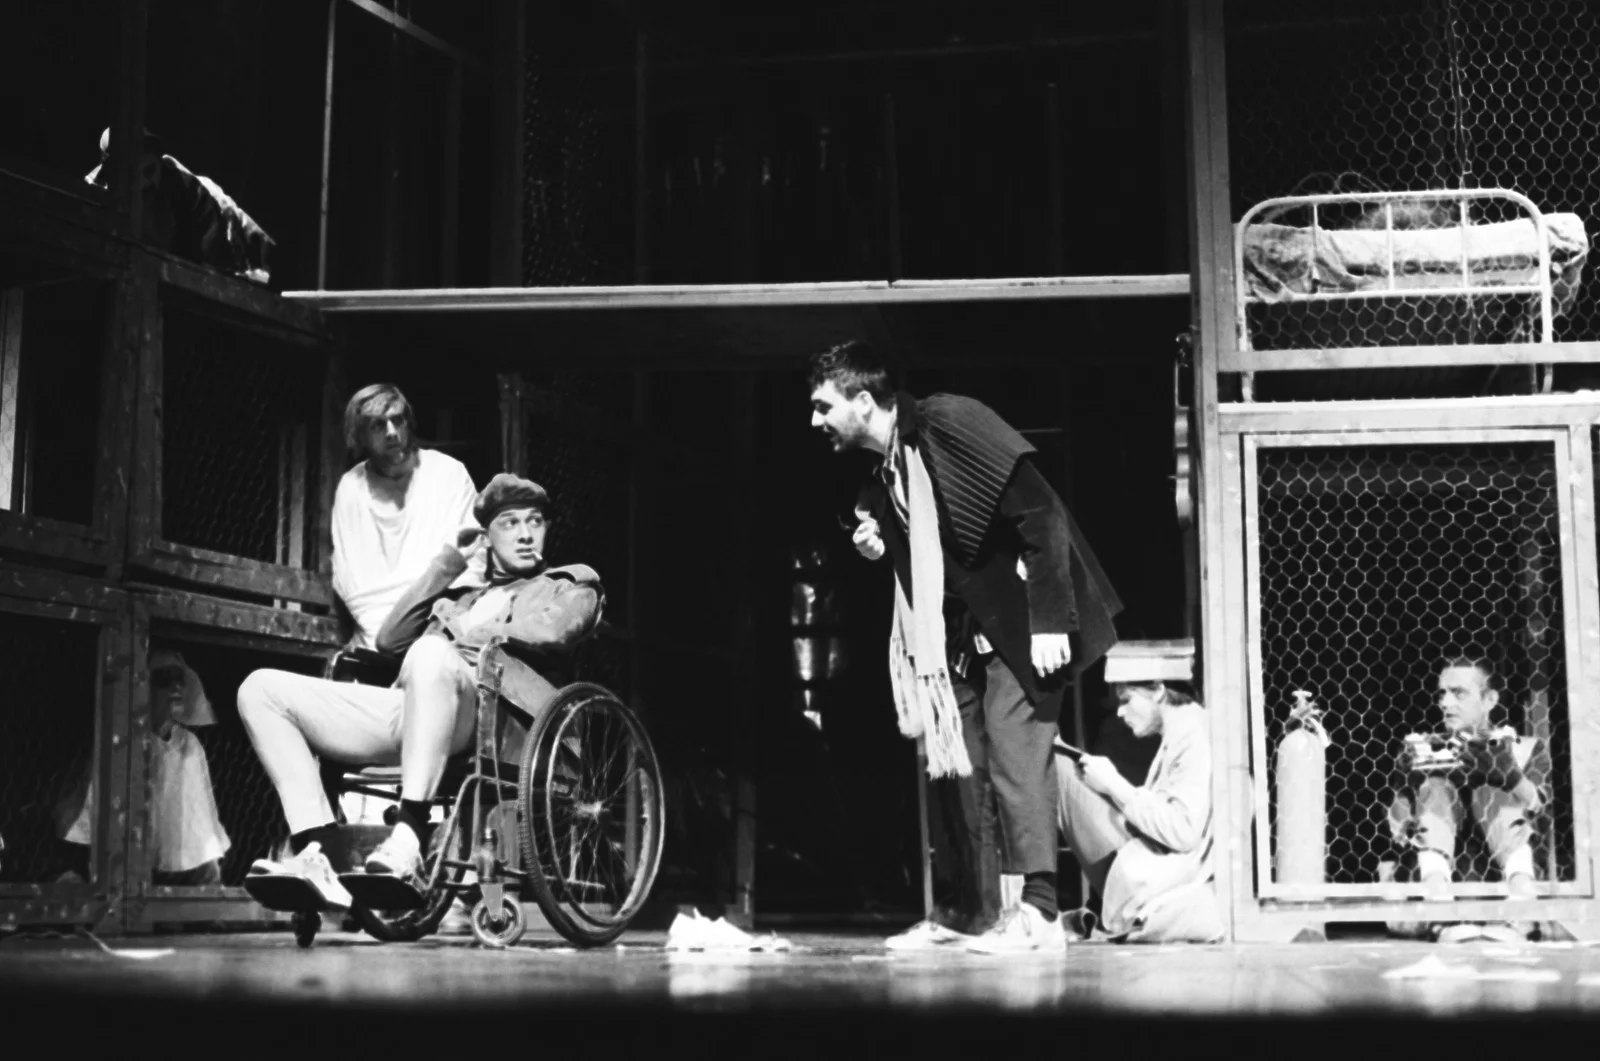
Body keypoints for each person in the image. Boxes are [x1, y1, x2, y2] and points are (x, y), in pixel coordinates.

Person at [808, 340, 1122, 955]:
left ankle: (1039, 914)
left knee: (1015, 753)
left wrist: (1050, 619)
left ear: (863, 401)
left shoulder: (947, 421)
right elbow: (933, 544)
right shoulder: (888, 468)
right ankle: (967, 912)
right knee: (957, 768)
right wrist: (879, 540)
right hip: (959, 639)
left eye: (823, 406)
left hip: (1024, 625)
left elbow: (1042, 512)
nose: (814, 420)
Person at [237, 474, 603, 912]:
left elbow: (555, 630)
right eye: (509, 523)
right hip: (420, 710)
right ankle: (319, 851)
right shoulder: (459, 602)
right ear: (487, 537)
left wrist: (461, 643)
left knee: (430, 653)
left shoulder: (569, 583)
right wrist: (449, 562)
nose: (525, 534)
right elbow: (391, 638)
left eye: (535, 521)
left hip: (497, 721)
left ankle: (408, 835)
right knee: (261, 689)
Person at [1055, 639, 1224, 943]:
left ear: (1158, 690)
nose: (1120, 712)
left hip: (1160, 883)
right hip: (1156, 869)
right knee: (1064, 761)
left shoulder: (1193, 733)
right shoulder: (1183, 730)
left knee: (1056, 763)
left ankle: (1036, 904)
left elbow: (1184, 830)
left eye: (1126, 699)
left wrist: (1114, 786)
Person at [1386, 658, 1549, 935]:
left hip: (1503, 884)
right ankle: (1440, 907)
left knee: (1492, 787)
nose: (1446, 703)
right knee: (1435, 786)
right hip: (1433, 892)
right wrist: (1410, 784)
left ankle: (1521, 906)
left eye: (1458, 693)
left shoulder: (1525, 748)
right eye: (1442, 693)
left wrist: (1511, 777)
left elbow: (1543, 812)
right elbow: (1394, 834)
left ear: (1490, 700)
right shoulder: (1422, 749)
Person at [55, 650, 231, 885]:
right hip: (120, 857)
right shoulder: (121, 737)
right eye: (164, 679)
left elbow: (198, 822)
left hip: (176, 859)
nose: (175, 687)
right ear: (144, 686)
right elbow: (94, 809)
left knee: (209, 872)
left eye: (179, 679)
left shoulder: (190, 745)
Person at [331, 383, 485, 651]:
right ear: (361, 436)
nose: (392, 433)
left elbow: (470, 562)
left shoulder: (448, 473)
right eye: (378, 426)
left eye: (397, 420)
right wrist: (391, 627)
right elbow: (352, 582)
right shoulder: (352, 488)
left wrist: (426, 606)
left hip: (441, 618)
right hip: (378, 628)